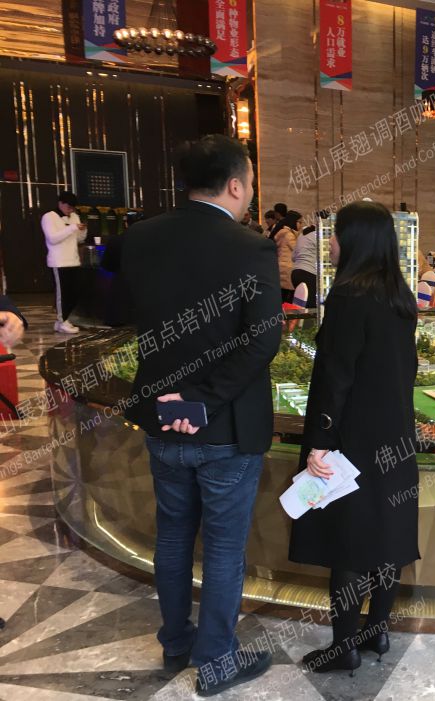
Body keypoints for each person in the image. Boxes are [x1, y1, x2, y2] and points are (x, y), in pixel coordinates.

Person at [121, 134, 281, 697]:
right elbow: (262, 341)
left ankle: (175, 642)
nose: (251, 192)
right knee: (222, 548)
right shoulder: (251, 248)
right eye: (251, 183)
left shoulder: (140, 238)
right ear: (235, 185)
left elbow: (125, 316)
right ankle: (215, 662)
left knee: (172, 537)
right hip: (224, 426)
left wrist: (179, 397)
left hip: (161, 417)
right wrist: (205, 401)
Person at [289, 201, 419, 675]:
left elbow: (335, 376)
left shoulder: (348, 296)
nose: (331, 242)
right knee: (386, 536)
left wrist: (320, 441)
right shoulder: (400, 296)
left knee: (348, 543)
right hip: (395, 436)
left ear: (355, 240)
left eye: (336, 233)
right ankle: (376, 630)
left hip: (352, 439)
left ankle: (344, 644)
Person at [41, 190, 88, 334]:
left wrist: (82, 230)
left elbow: (79, 239)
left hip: (73, 261)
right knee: (63, 294)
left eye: (73, 208)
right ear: (60, 203)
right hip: (59, 262)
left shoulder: (75, 216)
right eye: (68, 207)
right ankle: (62, 321)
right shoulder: (49, 217)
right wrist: (72, 228)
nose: (71, 210)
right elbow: (53, 239)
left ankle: (63, 320)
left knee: (75, 292)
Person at [291, 220, 319, 308]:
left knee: (300, 306)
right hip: (309, 273)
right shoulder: (318, 235)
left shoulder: (302, 234)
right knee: (311, 307)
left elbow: (293, 257)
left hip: (296, 273)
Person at [275, 210, 300, 303]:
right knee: (289, 296)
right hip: (288, 268)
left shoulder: (282, 232)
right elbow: (296, 250)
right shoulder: (289, 235)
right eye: (299, 222)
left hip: (281, 266)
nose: (300, 225)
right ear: (294, 221)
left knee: (283, 294)